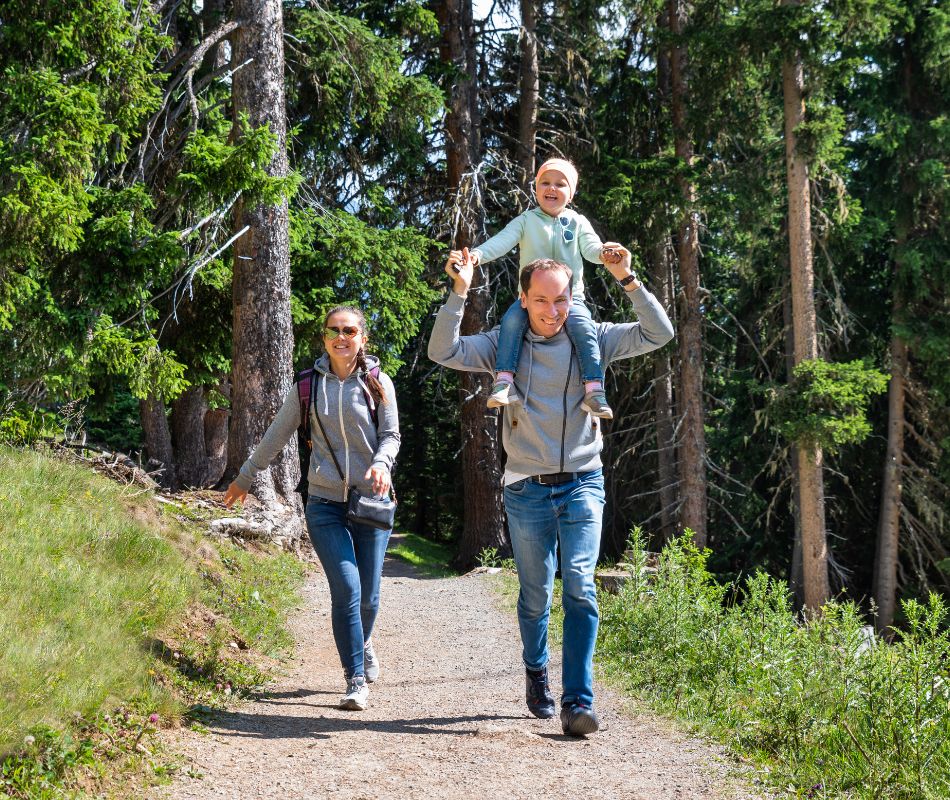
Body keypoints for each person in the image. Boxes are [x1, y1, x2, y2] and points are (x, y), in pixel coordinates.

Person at [428, 248, 673, 736]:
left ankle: (578, 702)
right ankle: (536, 669)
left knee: (580, 585)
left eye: (560, 300)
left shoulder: (594, 340)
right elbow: (443, 350)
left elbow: (659, 333)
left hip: (583, 480)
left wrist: (626, 278)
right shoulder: (505, 345)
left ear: (572, 299)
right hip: (526, 489)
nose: (552, 310)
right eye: (541, 300)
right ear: (524, 300)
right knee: (536, 595)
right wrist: (459, 292)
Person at [224, 306, 400, 712]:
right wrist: (246, 476)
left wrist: (380, 463)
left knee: (369, 598)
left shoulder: (378, 383)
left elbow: (391, 436)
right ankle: (355, 678)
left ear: (362, 338)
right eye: (334, 331)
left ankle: (364, 640)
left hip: (371, 500)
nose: (342, 337)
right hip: (323, 503)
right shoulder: (308, 386)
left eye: (350, 330)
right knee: (347, 590)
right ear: (324, 338)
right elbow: (277, 434)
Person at [451, 157, 624, 420]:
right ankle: (505, 381)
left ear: (571, 193)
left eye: (559, 184)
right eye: (545, 183)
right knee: (511, 322)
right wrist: (476, 256)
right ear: (536, 188)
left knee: (584, 327)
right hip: (532, 299)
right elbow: (501, 242)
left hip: (571, 298)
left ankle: (594, 389)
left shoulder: (577, 222)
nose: (551, 189)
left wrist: (604, 254)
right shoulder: (527, 220)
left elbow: (591, 248)